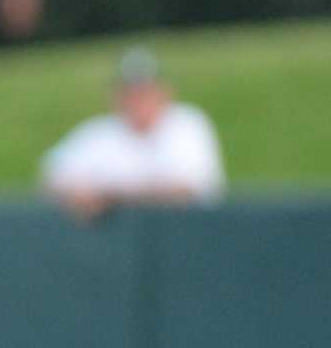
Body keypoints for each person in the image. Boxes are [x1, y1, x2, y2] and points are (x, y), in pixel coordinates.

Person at [41, 48, 225, 221]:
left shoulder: (187, 124)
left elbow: (185, 189)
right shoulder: (99, 133)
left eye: (145, 91)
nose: (137, 100)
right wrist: (78, 193)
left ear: (164, 91)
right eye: (129, 92)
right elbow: (53, 176)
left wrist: (108, 197)